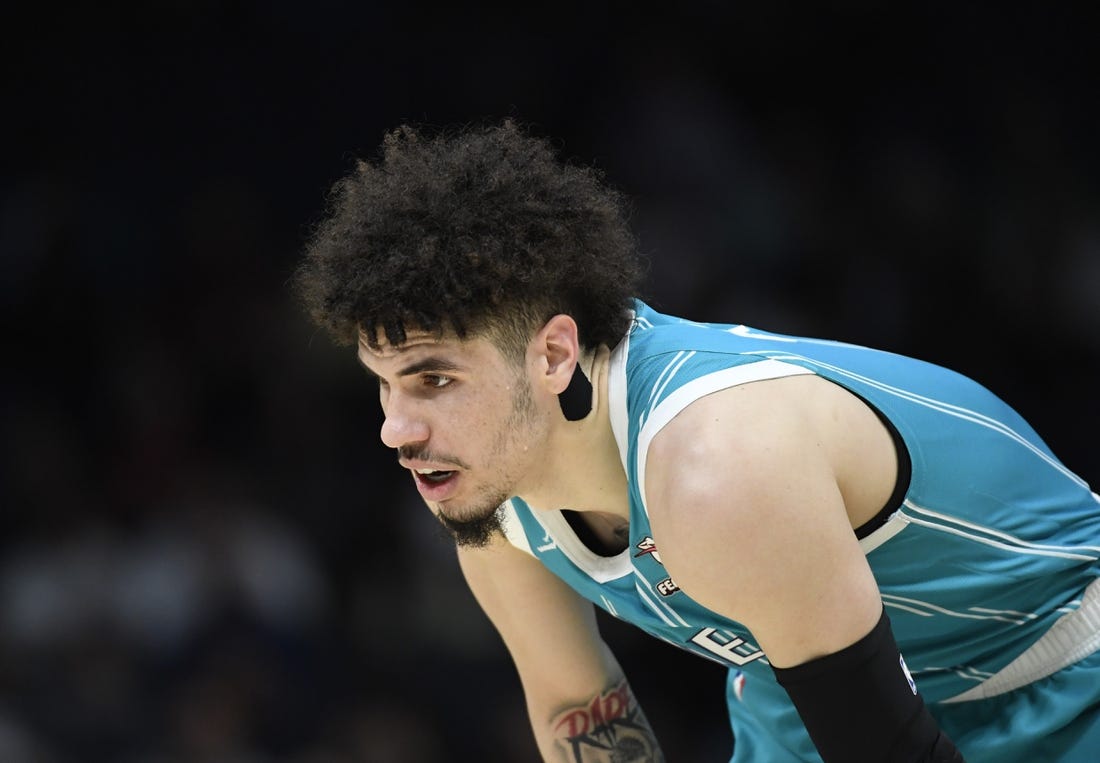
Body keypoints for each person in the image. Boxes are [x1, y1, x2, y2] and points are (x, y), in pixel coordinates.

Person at [294, 121, 1100, 762]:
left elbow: (889, 751)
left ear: (552, 353)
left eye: (433, 379)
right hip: (813, 694)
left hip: (1056, 673)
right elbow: (581, 711)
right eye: (383, 380)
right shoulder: (483, 480)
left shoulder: (717, 467)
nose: (396, 429)